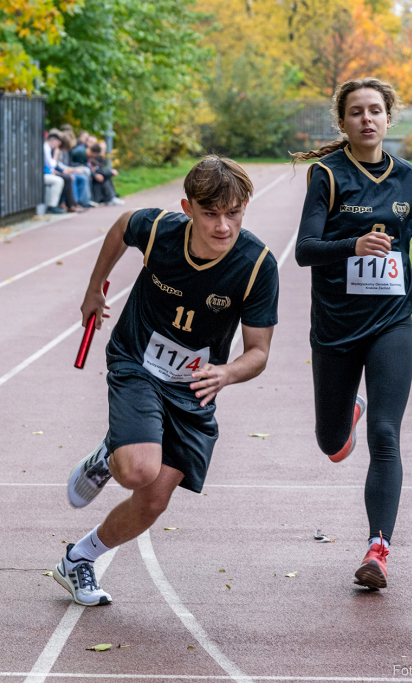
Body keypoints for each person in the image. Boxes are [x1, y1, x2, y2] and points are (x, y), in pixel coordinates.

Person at [56, 156, 279, 606]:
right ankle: (113, 453)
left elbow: (258, 353)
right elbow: (122, 225)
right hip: (137, 361)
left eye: (233, 213)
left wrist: (226, 373)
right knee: (139, 469)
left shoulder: (256, 266)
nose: (222, 226)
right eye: (211, 213)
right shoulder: (159, 230)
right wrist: (95, 287)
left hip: (195, 387)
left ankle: (78, 559)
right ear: (188, 207)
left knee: (153, 500)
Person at [292, 78, 412, 589]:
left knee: (385, 434)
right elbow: (304, 250)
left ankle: (378, 548)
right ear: (342, 123)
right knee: (332, 439)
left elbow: (399, 231)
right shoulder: (327, 174)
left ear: (389, 119)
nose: (367, 120)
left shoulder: (404, 172)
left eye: (376, 112)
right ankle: (348, 411)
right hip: (337, 327)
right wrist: (351, 245)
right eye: (357, 112)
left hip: (390, 318)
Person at [44, 131, 80, 213]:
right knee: (61, 180)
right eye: (58, 141)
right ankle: (54, 206)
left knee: (67, 178)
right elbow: (52, 164)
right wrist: (56, 155)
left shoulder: (49, 148)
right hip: (47, 173)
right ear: (52, 139)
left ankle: (70, 204)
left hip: (49, 172)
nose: (59, 143)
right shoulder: (47, 148)